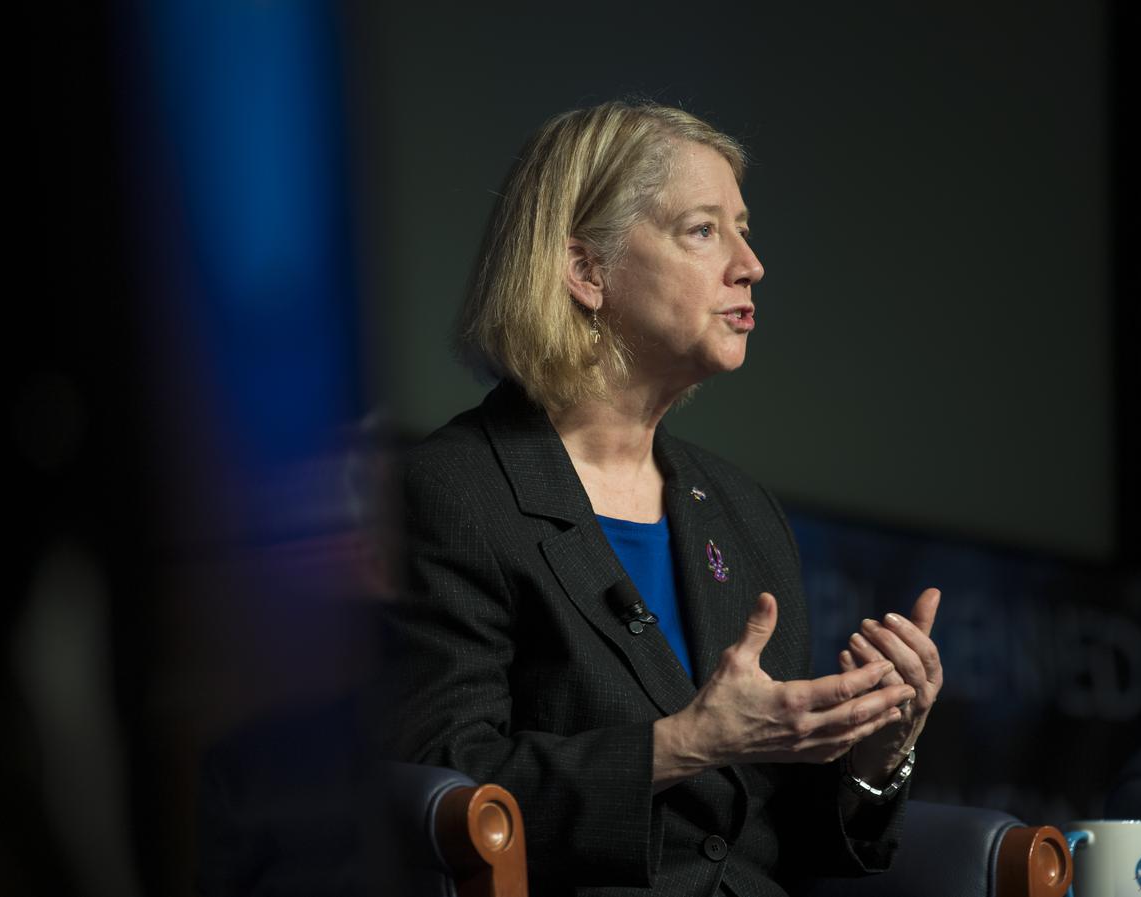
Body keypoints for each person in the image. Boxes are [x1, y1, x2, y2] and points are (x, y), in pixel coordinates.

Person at [381, 100, 944, 896]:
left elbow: (772, 835)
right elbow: (446, 790)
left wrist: (876, 752)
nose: (750, 263)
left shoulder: (743, 511)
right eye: (704, 230)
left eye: (743, 228)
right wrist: (680, 742)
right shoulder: (457, 493)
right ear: (586, 271)